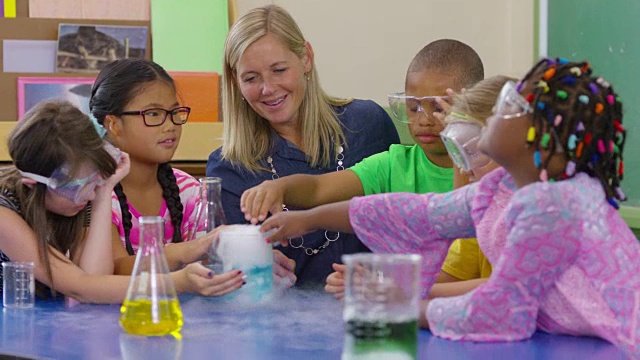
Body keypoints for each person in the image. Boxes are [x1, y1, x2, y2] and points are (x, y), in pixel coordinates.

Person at [258, 58, 640, 358]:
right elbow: (418, 212)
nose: (503, 105)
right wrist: (307, 219)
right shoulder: (502, 187)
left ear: (541, 142)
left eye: (513, 105)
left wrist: (398, 309)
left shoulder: (555, 205)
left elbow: (500, 311)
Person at [239, 38, 486, 296]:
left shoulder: (489, 174)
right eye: (413, 108)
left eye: (439, 108)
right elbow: (320, 189)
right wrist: (280, 188)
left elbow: (467, 277)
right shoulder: (394, 164)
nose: (423, 120)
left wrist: (379, 286)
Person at [206, 5, 400, 286]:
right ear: (236, 82)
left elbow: (408, 222)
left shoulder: (369, 124)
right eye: (251, 78)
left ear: (306, 58)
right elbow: (230, 268)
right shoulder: (229, 167)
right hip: (283, 321)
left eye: (279, 70)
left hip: (372, 308)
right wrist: (247, 266)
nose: (267, 88)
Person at [0, 100, 239, 303]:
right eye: (78, 189)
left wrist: (104, 191)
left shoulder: (84, 200)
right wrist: (178, 282)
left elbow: (94, 275)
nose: (89, 195)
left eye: (92, 181)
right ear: (33, 183)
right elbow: (80, 287)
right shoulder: (4, 211)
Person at [324, 75, 514, 300]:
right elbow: (446, 277)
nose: (464, 170)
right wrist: (376, 282)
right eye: (413, 108)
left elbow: (504, 289)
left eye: (471, 152)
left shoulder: (535, 212)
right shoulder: (482, 211)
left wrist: (394, 293)